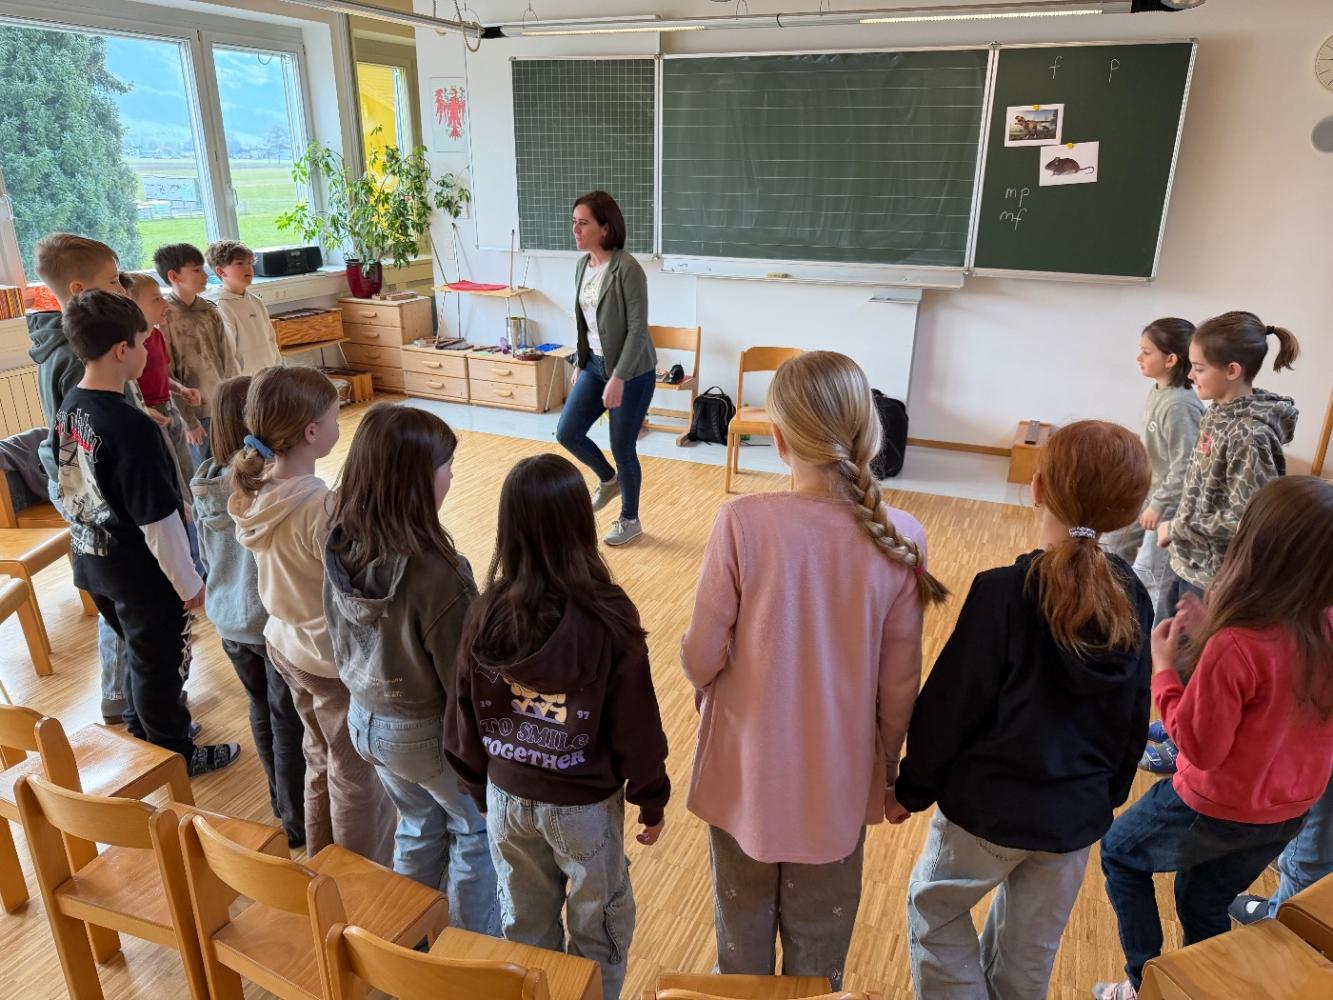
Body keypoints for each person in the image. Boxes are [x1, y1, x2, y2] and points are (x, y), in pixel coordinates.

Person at [680, 351, 947, 990]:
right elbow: (899, 685)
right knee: (820, 959)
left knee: (738, 945)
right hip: (837, 781)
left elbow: (699, 655)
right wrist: (887, 767)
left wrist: (708, 682)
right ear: (871, 435)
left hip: (744, 773)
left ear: (777, 439)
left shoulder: (742, 521)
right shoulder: (902, 534)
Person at [892, 420, 1153, 1000]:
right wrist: (1102, 796)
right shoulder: (1134, 597)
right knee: (1029, 956)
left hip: (985, 812)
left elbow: (949, 707)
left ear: (1035, 488)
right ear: (1131, 510)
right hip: (1073, 821)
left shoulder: (1001, 592)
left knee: (935, 914)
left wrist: (911, 789)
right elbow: (1135, 713)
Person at [1095, 476, 1333, 1000]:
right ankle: (1199, 989)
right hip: (1288, 811)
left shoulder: (1236, 644)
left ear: (1255, 548)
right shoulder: (1321, 627)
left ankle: (1145, 982)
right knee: (1203, 899)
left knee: (1118, 853)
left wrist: (1164, 670)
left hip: (1213, 805)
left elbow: (1199, 748)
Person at [446, 453, 669, 1000]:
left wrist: (476, 786)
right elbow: (637, 724)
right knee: (600, 932)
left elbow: (462, 710)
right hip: (583, 808)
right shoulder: (609, 614)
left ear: (508, 525)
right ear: (581, 525)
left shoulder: (485, 610)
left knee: (525, 929)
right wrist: (651, 798)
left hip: (504, 799)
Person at [324, 404, 499, 933]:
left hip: (365, 719)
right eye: (446, 466)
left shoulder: (340, 539)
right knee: (474, 832)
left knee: (419, 824)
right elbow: (464, 683)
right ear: (417, 481)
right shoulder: (439, 573)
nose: (453, 475)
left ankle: (410, 940)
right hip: (425, 733)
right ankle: (466, 957)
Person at [54, 289, 239, 775]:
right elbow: (157, 522)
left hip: (94, 562)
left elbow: (77, 488)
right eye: (143, 342)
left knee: (140, 655)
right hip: (142, 575)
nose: (148, 350)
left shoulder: (72, 406)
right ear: (122, 350)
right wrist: (188, 582)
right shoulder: (130, 425)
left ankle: (143, 728)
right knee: (160, 665)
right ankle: (176, 754)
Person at [229, 366, 393, 864]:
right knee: (355, 774)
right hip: (327, 658)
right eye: (335, 416)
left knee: (319, 756)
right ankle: (356, 878)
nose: (340, 422)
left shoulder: (257, 490)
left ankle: (322, 861)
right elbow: (358, 582)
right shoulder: (319, 506)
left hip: (285, 644)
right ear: (311, 432)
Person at [1144, 311, 1299, 774]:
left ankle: (1187, 745)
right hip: (1190, 560)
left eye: (1198, 368)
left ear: (1233, 370)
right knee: (1175, 645)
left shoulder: (1250, 433)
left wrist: (1180, 527)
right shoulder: (1219, 411)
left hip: (1215, 574)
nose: (1190, 376)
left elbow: (1249, 518)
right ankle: (1178, 722)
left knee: (1199, 658)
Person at [192, 375, 306, 848]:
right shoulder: (264, 486)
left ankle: (281, 803)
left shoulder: (205, 481)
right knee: (286, 720)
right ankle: (297, 820)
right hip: (268, 622)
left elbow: (206, 556)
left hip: (227, 618)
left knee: (261, 708)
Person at [28, 233, 134, 724]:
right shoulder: (77, 355)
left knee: (121, 595)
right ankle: (119, 695)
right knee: (121, 596)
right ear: (78, 290)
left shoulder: (64, 342)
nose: (122, 289)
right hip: (89, 489)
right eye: (113, 281)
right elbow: (83, 439)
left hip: (80, 483)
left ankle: (128, 688)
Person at [555, 191, 657, 548]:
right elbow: (585, 323)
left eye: (583, 223)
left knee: (622, 445)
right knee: (567, 431)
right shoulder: (582, 266)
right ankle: (608, 480)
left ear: (605, 228)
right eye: (574, 222)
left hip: (633, 371)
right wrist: (581, 362)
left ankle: (630, 519)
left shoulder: (627, 269)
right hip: (595, 366)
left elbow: (637, 330)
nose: (575, 230)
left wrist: (618, 377)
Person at [1101, 318, 1203, 607]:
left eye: (1146, 352)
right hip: (1149, 492)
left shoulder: (1180, 405)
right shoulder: (1159, 391)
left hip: (1169, 503)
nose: (1139, 358)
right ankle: (1113, 609)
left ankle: (1149, 626)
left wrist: (1159, 505)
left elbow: (1186, 465)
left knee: (1150, 572)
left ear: (1170, 360)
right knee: (1112, 546)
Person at [155, 242, 240, 470]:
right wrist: (189, 421)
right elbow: (167, 374)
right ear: (174, 276)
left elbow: (227, 360)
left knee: (230, 467)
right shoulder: (165, 317)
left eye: (203, 269)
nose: (204, 275)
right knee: (204, 473)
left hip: (221, 405)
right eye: (196, 270)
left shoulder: (209, 311)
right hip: (195, 413)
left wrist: (234, 402)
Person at [204, 240, 283, 374]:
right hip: (244, 380)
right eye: (240, 263)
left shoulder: (256, 301)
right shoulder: (221, 305)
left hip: (268, 376)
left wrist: (277, 370)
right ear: (221, 271)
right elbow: (228, 353)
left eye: (250, 263)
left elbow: (271, 339)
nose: (248, 268)